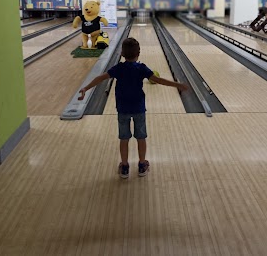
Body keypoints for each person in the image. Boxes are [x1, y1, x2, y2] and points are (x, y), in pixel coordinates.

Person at [78, 37, 188, 179]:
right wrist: (178, 85)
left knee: (124, 139)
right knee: (141, 137)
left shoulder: (118, 68)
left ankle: (124, 167)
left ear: (122, 53)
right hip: (139, 108)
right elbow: (158, 80)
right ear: (139, 53)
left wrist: (85, 88)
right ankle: (142, 165)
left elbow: (101, 78)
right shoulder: (141, 68)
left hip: (122, 109)